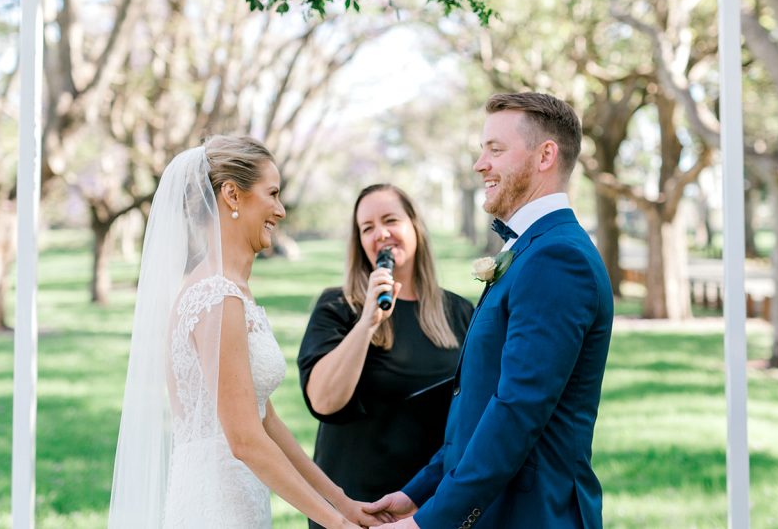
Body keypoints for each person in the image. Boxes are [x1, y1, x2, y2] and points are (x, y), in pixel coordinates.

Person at [366, 92, 614, 529]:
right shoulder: (530, 249)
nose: (481, 164)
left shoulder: (558, 258)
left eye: (495, 150)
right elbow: (480, 405)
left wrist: (431, 522)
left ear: (545, 156)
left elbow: (517, 410)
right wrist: (416, 493)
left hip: (534, 515)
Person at [108, 136, 373, 529]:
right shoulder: (216, 297)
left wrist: (343, 504)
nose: (280, 210)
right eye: (272, 194)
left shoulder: (231, 291)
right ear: (232, 195)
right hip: (214, 507)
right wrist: (335, 525)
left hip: (240, 500)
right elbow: (244, 440)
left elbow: (264, 420)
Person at [297, 184, 473, 528]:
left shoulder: (459, 311)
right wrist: (367, 323)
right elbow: (323, 401)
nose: (380, 234)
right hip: (354, 508)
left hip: (428, 507)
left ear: (414, 226)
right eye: (367, 228)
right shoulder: (337, 307)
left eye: (390, 220)